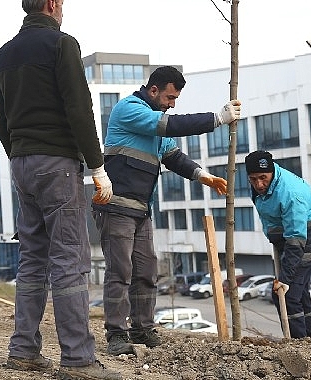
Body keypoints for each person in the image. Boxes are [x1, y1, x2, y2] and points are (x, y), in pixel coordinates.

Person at [0, 1, 120, 379]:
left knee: (32, 259)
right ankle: (78, 359)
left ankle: (23, 350)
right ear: (51, 5)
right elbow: (80, 109)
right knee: (69, 261)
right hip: (57, 164)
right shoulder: (61, 45)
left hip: (22, 164)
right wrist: (97, 167)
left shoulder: (1, 56)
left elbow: (1, 119)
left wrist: (19, 155)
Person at [92, 65, 241, 355]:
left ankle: (142, 329)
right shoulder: (130, 110)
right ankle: (116, 335)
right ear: (154, 90)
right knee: (120, 272)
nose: (172, 104)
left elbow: (172, 155)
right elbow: (168, 125)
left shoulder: (153, 123)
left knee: (146, 271)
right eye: (170, 98)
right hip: (117, 207)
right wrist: (217, 119)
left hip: (141, 210)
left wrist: (202, 175)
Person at [244, 150, 311, 343]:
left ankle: (298, 345)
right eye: (253, 179)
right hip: (286, 238)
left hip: (306, 236)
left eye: (263, 178)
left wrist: (284, 279)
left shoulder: (290, 194)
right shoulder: (261, 185)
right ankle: (310, 342)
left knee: (285, 294)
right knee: (299, 291)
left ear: (272, 172)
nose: (259, 184)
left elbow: (296, 239)